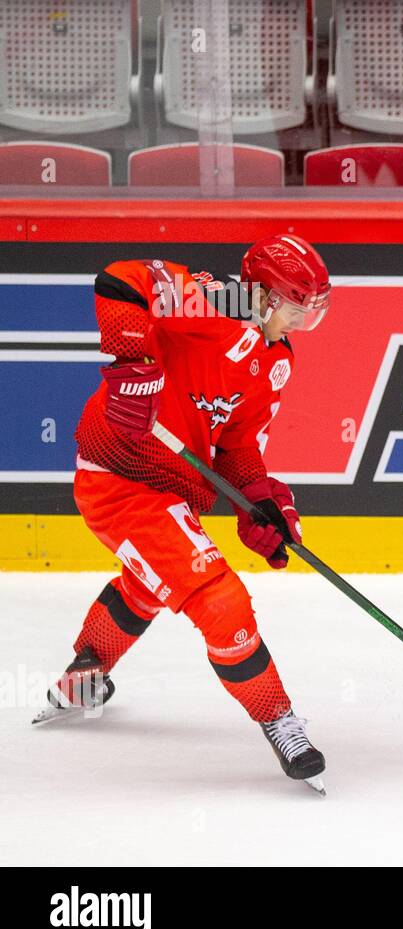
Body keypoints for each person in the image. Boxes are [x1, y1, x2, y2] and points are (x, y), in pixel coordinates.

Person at [34, 235, 334, 791]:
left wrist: (261, 504)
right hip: (119, 478)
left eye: (314, 311)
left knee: (151, 585)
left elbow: (239, 448)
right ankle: (277, 718)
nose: (301, 322)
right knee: (220, 600)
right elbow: (120, 280)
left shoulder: (277, 361)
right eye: (298, 308)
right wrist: (133, 362)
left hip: (174, 490)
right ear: (265, 296)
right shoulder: (213, 302)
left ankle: (84, 677)